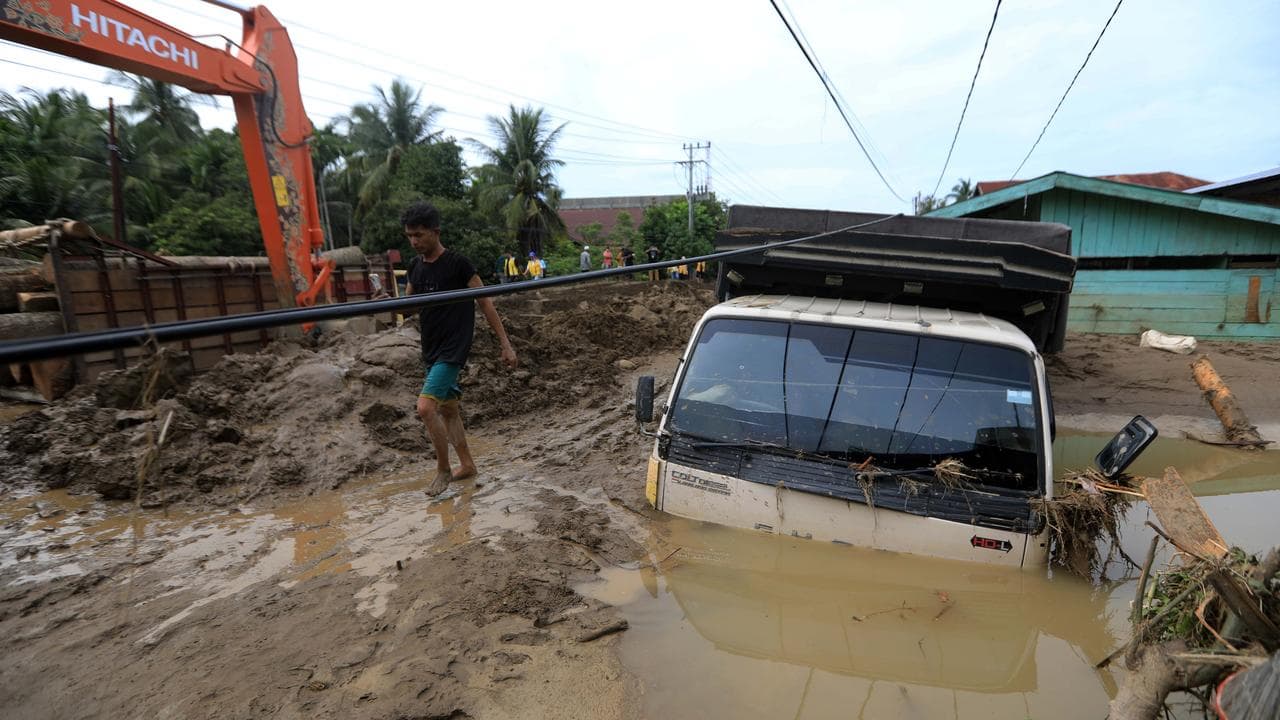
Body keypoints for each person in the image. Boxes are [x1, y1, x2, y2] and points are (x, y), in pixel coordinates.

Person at [402, 202, 518, 497]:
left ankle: (443, 469)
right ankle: (467, 464)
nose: (414, 242)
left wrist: (505, 344)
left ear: (435, 232)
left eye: (419, 235)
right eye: (409, 236)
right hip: (431, 346)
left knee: (425, 408)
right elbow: (409, 306)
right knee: (448, 409)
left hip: (454, 348)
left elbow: (485, 302)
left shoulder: (459, 264)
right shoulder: (415, 268)